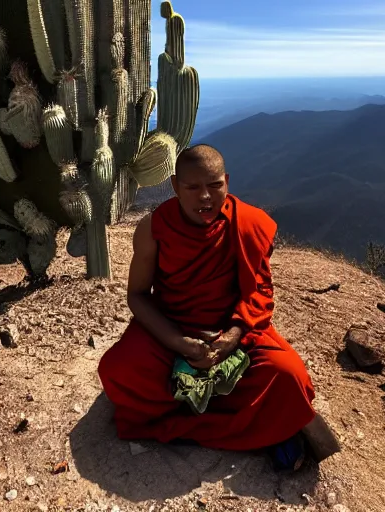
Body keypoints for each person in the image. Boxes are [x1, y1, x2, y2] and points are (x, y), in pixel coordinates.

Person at [98, 144, 340, 470]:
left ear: (227, 181)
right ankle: (264, 426)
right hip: (173, 328)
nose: (206, 197)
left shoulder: (247, 223)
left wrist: (233, 337)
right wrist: (178, 341)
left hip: (233, 328)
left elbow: (259, 294)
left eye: (215, 186)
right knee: (117, 370)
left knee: (288, 374)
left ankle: (195, 421)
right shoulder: (153, 229)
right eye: (193, 187)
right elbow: (138, 295)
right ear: (174, 186)